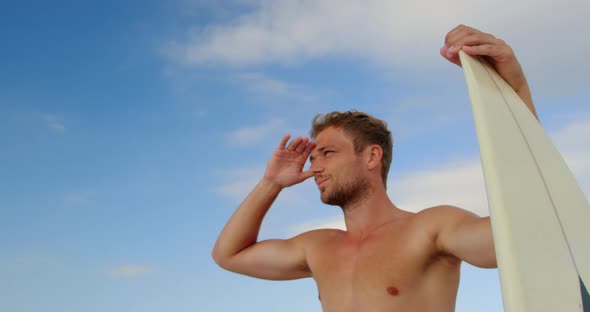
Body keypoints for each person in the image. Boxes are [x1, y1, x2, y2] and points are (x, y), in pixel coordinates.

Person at [212, 25, 538, 311]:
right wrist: (271, 183)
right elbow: (229, 255)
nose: (315, 168)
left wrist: (516, 89)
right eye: (313, 158)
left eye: (327, 153)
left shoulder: (429, 229)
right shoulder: (318, 246)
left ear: (371, 157)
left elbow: (520, 235)